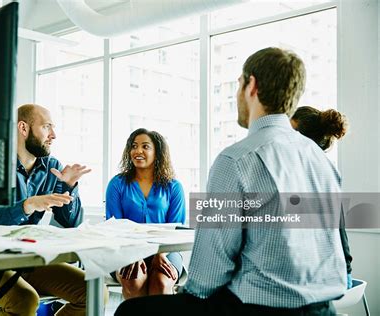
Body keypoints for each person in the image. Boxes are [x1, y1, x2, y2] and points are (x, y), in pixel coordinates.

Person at [115, 47, 346, 316]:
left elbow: (206, 279)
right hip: (323, 309)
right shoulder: (321, 161)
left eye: (238, 84)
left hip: (258, 309)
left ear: (251, 86)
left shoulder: (236, 160)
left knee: (130, 311)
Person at [0, 104, 95, 316]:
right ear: (23, 128)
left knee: (94, 293)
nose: (53, 135)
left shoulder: (50, 166)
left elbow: (70, 222)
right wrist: (28, 205)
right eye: (47, 127)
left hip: (27, 258)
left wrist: (69, 188)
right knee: (25, 300)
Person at [106, 128, 186, 299]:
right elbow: (114, 227)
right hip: (125, 249)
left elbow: (176, 229)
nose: (138, 151)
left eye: (145, 146)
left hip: (167, 250)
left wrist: (160, 253)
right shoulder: (117, 184)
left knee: (161, 283)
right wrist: (134, 252)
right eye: (134, 146)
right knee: (132, 280)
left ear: (158, 152)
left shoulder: (174, 187)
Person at [291, 106, 353, 289]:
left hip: (330, 278)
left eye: (289, 132)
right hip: (343, 272)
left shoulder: (306, 174)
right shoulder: (325, 168)